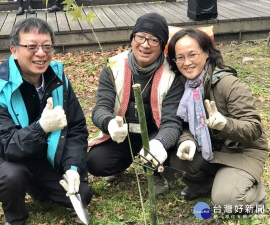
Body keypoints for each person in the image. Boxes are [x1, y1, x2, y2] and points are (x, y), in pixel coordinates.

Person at [0, 17, 93, 225]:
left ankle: (38, 188)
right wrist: (42, 127)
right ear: (14, 50)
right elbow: (7, 145)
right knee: (12, 176)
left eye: (47, 47)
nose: (40, 53)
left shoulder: (58, 79)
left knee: (83, 193)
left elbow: (76, 128)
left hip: (39, 155)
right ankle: (15, 217)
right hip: (1, 157)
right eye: (31, 47)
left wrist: (73, 168)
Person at [167, 28, 268, 209]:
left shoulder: (229, 84)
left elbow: (254, 129)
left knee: (227, 201)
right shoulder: (183, 85)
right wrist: (187, 140)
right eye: (180, 57)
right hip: (211, 149)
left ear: (207, 53)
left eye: (192, 55)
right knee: (175, 159)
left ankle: (251, 190)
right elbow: (183, 125)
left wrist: (225, 124)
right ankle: (207, 185)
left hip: (241, 151)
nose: (186, 62)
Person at [87, 12, 184, 196]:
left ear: (163, 45)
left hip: (155, 132)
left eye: (154, 40)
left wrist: (161, 142)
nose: (145, 44)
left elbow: (172, 121)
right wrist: (109, 123)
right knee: (95, 162)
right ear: (132, 39)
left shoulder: (173, 74)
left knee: (168, 151)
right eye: (140, 37)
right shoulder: (113, 66)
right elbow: (101, 108)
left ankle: (157, 173)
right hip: (123, 134)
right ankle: (119, 164)